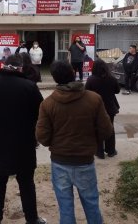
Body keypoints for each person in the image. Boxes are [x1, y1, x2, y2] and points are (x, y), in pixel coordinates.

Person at [36, 60, 112, 224]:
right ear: (73, 73)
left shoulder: (47, 104)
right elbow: (106, 130)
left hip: (59, 162)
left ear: (55, 78)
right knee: (92, 205)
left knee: (65, 208)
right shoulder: (94, 99)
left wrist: (56, 144)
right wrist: (91, 141)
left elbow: (42, 136)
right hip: (85, 161)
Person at [0, 55, 46, 224]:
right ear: (20, 68)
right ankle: (32, 218)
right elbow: (39, 112)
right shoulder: (29, 87)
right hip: (23, 142)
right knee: (26, 183)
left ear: (4, 66)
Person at [85, 59, 120, 158]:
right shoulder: (111, 78)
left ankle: (99, 152)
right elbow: (117, 90)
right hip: (110, 107)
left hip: (95, 108)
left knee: (97, 129)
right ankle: (111, 150)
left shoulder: (91, 79)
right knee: (110, 128)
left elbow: (86, 92)